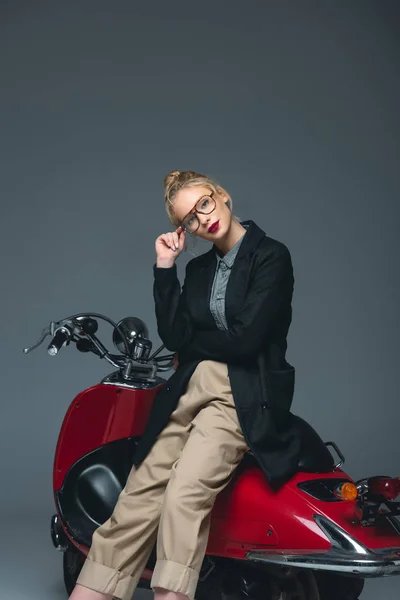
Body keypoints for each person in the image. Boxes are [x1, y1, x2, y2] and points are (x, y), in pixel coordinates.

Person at [70, 170, 301, 600]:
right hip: (189, 387)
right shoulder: (196, 269)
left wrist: (198, 345)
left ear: (223, 196)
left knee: (183, 496)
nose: (203, 220)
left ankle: (170, 595)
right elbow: (175, 338)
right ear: (185, 230)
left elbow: (247, 339)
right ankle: (89, 592)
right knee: (138, 493)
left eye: (205, 204)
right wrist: (164, 267)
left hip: (241, 395)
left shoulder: (271, 256)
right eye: (190, 219)